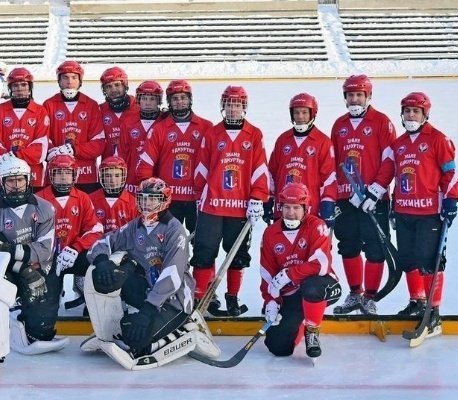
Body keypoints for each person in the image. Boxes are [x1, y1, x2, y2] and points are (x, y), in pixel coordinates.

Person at [83, 178, 220, 369]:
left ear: (164, 200)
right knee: (107, 275)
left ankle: (186, 328)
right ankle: (127, 325)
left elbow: (172, 275)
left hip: (175, 299)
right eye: (143, 198)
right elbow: (101, 243)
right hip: (149, 292)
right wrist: (101, 261)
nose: (147, 204)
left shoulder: (175, 230)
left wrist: (148, 310)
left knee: (136, 339)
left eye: (153, 199)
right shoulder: (135, 226)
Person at [191, 85, 270, 316]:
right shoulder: (213, 134)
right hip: (213, 206)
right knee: (205, 252)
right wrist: (199, 196)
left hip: (240, 207)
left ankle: (232, 296)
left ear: (244, 107)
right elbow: (202, 168)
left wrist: (257, 198)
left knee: (237, 256)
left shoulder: (254, 134)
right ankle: (200, 297)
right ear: (223, 106)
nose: (233, 108)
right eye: (229, 104)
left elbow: (259, 169)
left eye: (237, 104)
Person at [0, 155, 68, 353]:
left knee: (42, 331)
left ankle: (30, 316)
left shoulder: (45, 208)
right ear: (2, 183)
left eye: (20, 179)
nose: (16, 185)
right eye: (11, 180)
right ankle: (7, 315)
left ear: (28, 180)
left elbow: (44, 251)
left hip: (40, 267)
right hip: (11, 268)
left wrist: (15, 254)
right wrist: (23, 269)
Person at [390, 92, 458, 337]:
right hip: (403, 211)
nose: (411, 115)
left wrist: (451, 199)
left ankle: (433, 314)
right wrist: (392, 204)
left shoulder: (438, 139)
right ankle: (417, 302)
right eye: (407, 111)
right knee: (408, 259)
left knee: (429, 262)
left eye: (416, 111)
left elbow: (451, 173)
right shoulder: (398, 144)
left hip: (429, 212)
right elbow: (398, 178)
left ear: (425, 114)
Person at [330, 75, 396, 315]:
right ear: (345, 97)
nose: (354, 99)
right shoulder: (339, 125)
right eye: (350, 95)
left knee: (375, 248)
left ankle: (369, 297)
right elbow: (334, 161)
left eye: (359, 94)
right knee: (348, 245)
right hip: (346, 197)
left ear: (368, 96)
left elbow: (390, 159)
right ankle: (355, 293)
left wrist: (376, 189)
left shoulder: (381, 122)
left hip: (373, 199)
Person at [260, 183, 342, 359]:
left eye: (296, 207)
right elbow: (267, 271)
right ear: (280, 207)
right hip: (292, 293)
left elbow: (320, 264)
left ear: (306, 208)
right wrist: (271, 301)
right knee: (278, 347)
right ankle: (300, 322)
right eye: (287, 207)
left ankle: (312, 331)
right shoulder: (270, 233)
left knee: (311, 288)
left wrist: (288, 274)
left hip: (323, 286)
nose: (291, 212)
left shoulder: (317, 225)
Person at [136, 79, 212, 234]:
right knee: (165, 241)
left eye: (183, 97)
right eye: (175, 98)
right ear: (169, 101)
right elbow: (146, 164)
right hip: (168, 199)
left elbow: (215, 162)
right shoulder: (159, 129)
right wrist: (150, 196)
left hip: (197, 198)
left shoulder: (207, 127)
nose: (179, 102)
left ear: (190, 99)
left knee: (202, 244)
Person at [35, 154, 104, 310]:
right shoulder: (39, 199)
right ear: (51, 175)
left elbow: (95, 229)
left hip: (74, 254)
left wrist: (75, 248)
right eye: (58, 173)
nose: (63, 177)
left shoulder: (83, 198)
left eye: (67, 173)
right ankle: (52, 294)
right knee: (47, 304)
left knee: (99, 263)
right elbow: (33, 233)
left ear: (74, 175)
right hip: (49, 258)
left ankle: (84, 287)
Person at [267, 93, 336, 225]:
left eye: (304, 112)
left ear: (312, 113)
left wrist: (328, 201)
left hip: (310, 209)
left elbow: (329, 177)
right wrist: (268, 197)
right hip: (284, 208)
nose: (300, 117)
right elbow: (271, 173)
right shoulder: (283, 139)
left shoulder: (323, 141)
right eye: (296, 112)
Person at [43, 60, 105, 193]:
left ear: (80, 80)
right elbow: (43, 139)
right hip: (58, 175)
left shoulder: (91, 105)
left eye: (74, 77)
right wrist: (54, 152)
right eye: (65, 77)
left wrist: (74, 150)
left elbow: (98, 144)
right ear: (59, 81)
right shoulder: (49, 104)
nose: (69, 82)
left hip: (86, 176)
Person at [0, 67, 50, 191]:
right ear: (10, 88)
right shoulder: (0, 110)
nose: (20, 89)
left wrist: (15, 155)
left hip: (33, 176)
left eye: (23, 85)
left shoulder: (40, 111)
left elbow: (40, 147)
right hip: (5, 175)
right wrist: (7, 159)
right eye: (15, 86)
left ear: (30, 87)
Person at [119, 80, 167, 193]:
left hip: (159, 179)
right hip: (132, 182)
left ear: (158, 100)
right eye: (144, 98)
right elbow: (122, 154)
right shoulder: (128, 122)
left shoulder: (166, 121)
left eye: (152, 99)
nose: (148, 103)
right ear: (138, 100)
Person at [89, 156, 138, 234]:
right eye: (108, 176)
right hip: (97, 244)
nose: (113, 180)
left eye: (117, 175)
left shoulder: (133, 203)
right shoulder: (90, 200)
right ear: (102, 177)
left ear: (123, 176)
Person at [99, 66, 139, 159]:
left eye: (117, 85)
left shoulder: (139, 108)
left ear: (125, 85)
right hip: (110, 170)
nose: (113, 90)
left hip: (136, 167)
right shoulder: (99, 111)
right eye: (109, 86)